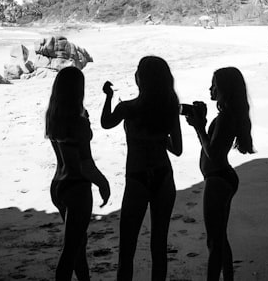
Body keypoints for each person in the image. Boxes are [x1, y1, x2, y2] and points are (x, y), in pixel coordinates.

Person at [101, 56, 183, 281]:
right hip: (163, 176)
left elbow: (106, 123)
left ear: (141, 79)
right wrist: (159, 138)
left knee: (127, 247)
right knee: (159, 245)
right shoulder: (169, 109)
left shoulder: (127, 108)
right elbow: (177, 149)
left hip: (137, 177)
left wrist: (108, 98)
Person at [183, 66, 256, 281]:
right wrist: (203, 124)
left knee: (214, 242)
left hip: (217, 180)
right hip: (223, 178)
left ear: (224, 88)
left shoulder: (225, 117)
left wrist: (198, 127)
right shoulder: (228, 115)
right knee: (220, 239)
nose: (210, 88)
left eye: (214, 84)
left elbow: (213, 153)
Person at [46, 66, 111, 281]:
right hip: (77, 188)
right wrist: (103, 183)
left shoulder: (53, 117)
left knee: (77, 245)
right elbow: (85, 164)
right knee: (71, 250)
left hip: (58, 185)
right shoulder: (79, 122)